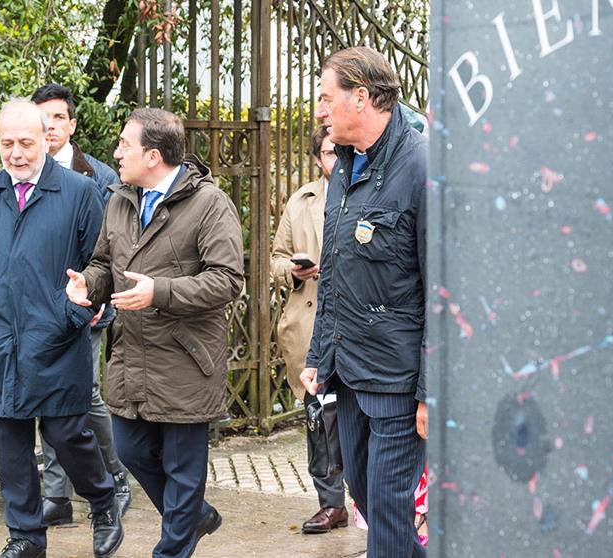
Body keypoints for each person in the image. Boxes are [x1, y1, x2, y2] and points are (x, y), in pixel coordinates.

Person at [64, 107, 244, 558]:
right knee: (130, 450)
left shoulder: (209, 204)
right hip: (133, 355)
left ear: (153, 155)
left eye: (125, 144)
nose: (116, 152)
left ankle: (172, 547)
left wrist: (159, 292)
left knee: (184, 471)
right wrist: (90, 283)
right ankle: (194, 514)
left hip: (185, 357)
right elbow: (107, 263)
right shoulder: (121, 199)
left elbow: (227, 279)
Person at [0, 99, 123, 558]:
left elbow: (102, 266)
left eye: (25, 143)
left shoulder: (77, 192)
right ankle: (26, 536)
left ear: (47, 139)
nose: (15, 153)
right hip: (3, 341)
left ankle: (103, 501)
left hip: (57, 339)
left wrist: (72, 314)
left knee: (68, 435)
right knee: (11, 443)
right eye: (6, 143)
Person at [300, 46, 428, 558]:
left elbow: (443, 289)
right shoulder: (345, 169)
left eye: (326, 98)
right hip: (349, 373)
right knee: (366, 494)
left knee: (390, 511)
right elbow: (333, 275)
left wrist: (430, 389)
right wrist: (317, 356)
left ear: (362, 97)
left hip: (398, 380)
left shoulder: (422, 165)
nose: (319, 110)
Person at [30, 82, 132, 526]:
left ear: (71, 124)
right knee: (48, 397)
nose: (49, 125)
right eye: (42, 118)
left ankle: (116, 477)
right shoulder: (26, 173)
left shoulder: (101, 176)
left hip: (84, 305)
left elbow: (107, 249)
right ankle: (56, 495)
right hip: (39, 309)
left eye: (57, 117)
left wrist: (97, 299)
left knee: (84, 394)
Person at [270, 125, 348, 534]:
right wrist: (295, 272)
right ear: (319, 158)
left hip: (357, 327)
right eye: (330, 152)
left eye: (342, 150)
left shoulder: (369, 193)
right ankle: (331, 503)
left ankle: (372, 497)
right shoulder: (301, 202)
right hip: (311, 321)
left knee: (357, 417)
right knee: (318, 417)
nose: (337, 158)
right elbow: (275, 259)